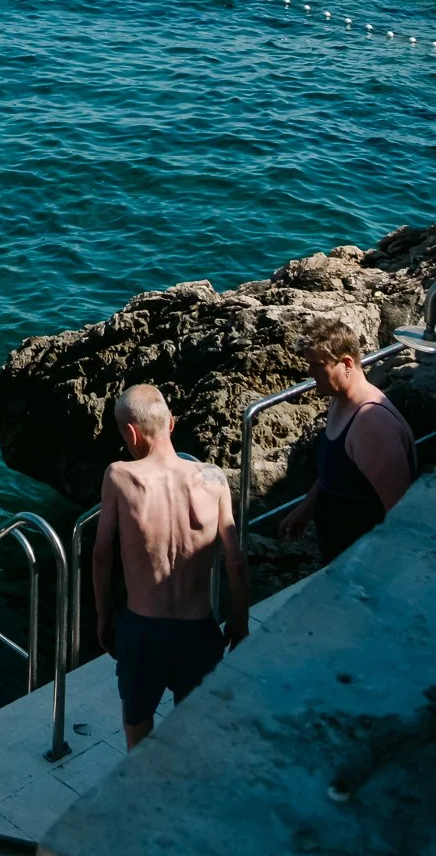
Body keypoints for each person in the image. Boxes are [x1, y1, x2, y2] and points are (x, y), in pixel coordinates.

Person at [92, 384, 249, 750]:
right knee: (195, 730)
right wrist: (239, 620)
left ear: (131, 432)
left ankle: (143, 796)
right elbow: (236, 560)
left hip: (143, 630)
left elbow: (101, 554)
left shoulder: (119, 477)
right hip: (198, 629)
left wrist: (103, 615)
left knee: (138, 724)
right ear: (171, 424)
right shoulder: (214, 479)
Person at [279, 320, 417, 563]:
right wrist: (306, 508)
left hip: (364, 569)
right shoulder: (340, 400)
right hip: (340, 558)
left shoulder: (372, 425)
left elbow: (400, 515)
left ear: (346, 364)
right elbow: (335, 468)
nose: (310, 372)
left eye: (317, 365)